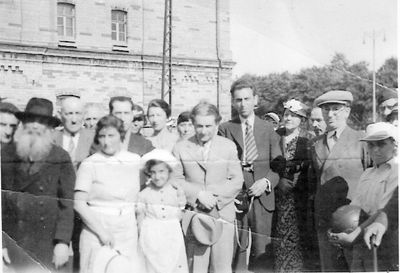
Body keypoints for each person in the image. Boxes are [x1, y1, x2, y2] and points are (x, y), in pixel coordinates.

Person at [2, 97, 75, 272]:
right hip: (14, 239)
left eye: (41, 121)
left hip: (47, 241)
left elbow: (67, 204)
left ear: (49, 127)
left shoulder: (60, 157)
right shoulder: (7, 155)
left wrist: (62, 242)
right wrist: (2, 243)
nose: (35, 125)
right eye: (30, 120)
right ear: (24, 123)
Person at [218, 79, 281, 272]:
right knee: (238, 248)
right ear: (233, 102)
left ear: (255, 100)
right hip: (238, 199)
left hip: (263, 198)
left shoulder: (267, 128)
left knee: (263, 252)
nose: (243, 104)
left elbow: (279, 165)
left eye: (247, 98)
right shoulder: (225, 128)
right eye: (238, 100)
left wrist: (266, 182)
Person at [173, 101, 243, 273]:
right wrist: (198, 195)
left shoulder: (228, 146)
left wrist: (213, 197)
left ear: (217, 124)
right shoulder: (180, 147)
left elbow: (236, 180)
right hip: (195, 216)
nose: (203, 131)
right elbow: (175, 179)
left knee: (221, 267)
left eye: (208, 126)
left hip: (223, 214)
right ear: (192, 124)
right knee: (196, 266)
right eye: (199, 126)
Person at [74, 115, 144, 273]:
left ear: (121, 136)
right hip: (97, 230)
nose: (106, 141)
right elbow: (79, 203)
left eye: (111, 135)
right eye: (102, 136)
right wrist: (102, 232)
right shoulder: (89, 164)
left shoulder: (134, 161)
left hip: (127, 229)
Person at [310, 90, 369, 272]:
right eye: (326, 109)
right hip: (326, 219)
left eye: (336, 109)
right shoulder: (315, 144)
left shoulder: (361, 139)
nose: (330, 114)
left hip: (353, 221)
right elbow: (314, 182)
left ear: (347, 111)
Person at [327, 122, 398, 271]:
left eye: (381, 144)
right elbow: (355, 207)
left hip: (384, 241)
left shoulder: (396, 171)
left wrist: (355, 234)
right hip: (360, 240)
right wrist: (338, 227)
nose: (376, 150)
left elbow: (384, 211)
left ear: (394, 144)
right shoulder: (368, 173)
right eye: (371, 145)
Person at [53, 96, 95, 272]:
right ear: (60, 115)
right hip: (58, 209)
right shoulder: (52, 138)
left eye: (78, 113)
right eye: (69, 113)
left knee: (82, 259)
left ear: (84, 115)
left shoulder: (95, 139)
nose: (74, 118)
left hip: (84, 209)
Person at [272, 99, 313, 272]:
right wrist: (278, 181)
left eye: (294, 116)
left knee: (298, 236)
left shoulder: (307, 140)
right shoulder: (274, 136)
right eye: (286, 114)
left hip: (298, 196)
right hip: (276, 194)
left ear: (301, 120)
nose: (289, 118)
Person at [137, 149, 188, 273]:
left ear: (169, 172)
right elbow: (140, 219)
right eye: (153, 172)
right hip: (150, 235)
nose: (157, 176)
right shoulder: (144, 194)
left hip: (172, 235)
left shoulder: (176, 192)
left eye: (161, 171)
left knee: (174, 264)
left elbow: (180, 215)